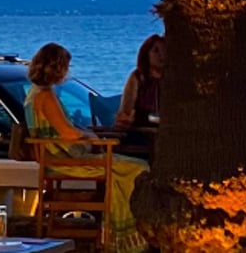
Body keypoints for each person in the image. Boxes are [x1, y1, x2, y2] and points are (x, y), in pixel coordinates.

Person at [24, 43, 149, 253]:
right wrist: (88, 136)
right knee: (139, 168)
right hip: (66, 161)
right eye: (65, 66)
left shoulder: (36, 94)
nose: (67, 71)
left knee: (129, 165)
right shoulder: (45, 96)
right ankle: (125, 236)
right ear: (56, 67)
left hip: (62, 157)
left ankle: (118, 232)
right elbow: (67, 133)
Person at [115, 34, 165, 129]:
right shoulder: (138, 77)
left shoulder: (171, 79)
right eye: (156, 51)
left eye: (164, 50)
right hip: (142, 130)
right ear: (146, 54)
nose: (161, 55)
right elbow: (126, 112)